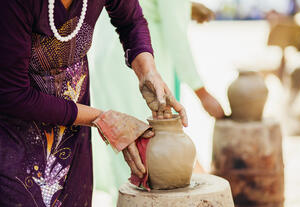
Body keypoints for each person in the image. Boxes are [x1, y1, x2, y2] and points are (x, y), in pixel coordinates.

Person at [0, 0, 187, 206]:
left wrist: (147, 71)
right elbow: (12, 94)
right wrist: (100, 118)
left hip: (72, 132)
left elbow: (131, 21)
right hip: (14, 135)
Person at [89, 0, 225, 204]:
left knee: (128, 154)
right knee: (142, 154)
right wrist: (201, 91)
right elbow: (177, 38)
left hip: (107, 56)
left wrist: (187, 7)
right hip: (133, 69)